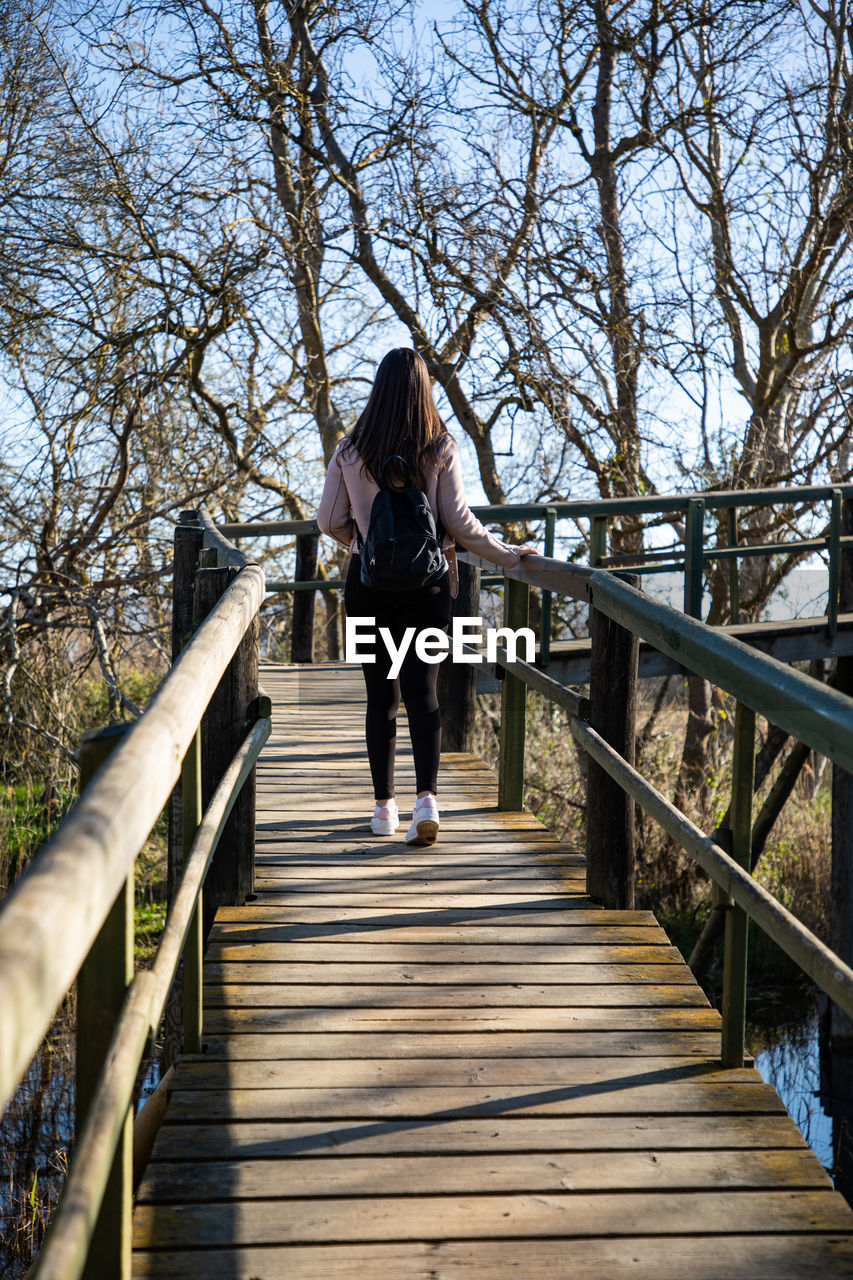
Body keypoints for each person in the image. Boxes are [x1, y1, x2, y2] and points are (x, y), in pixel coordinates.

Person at [317, 347, 539, 845]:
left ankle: (382, 809)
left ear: (378, 389)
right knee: (423, 692)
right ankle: (426, 803)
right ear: (423, 389)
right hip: (428, 587)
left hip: (369, 585)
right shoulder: (438, 447)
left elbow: (328, 520)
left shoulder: (350, 449)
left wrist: (365, 540)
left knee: (381, 696)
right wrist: (507, 554)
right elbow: (459, 523)